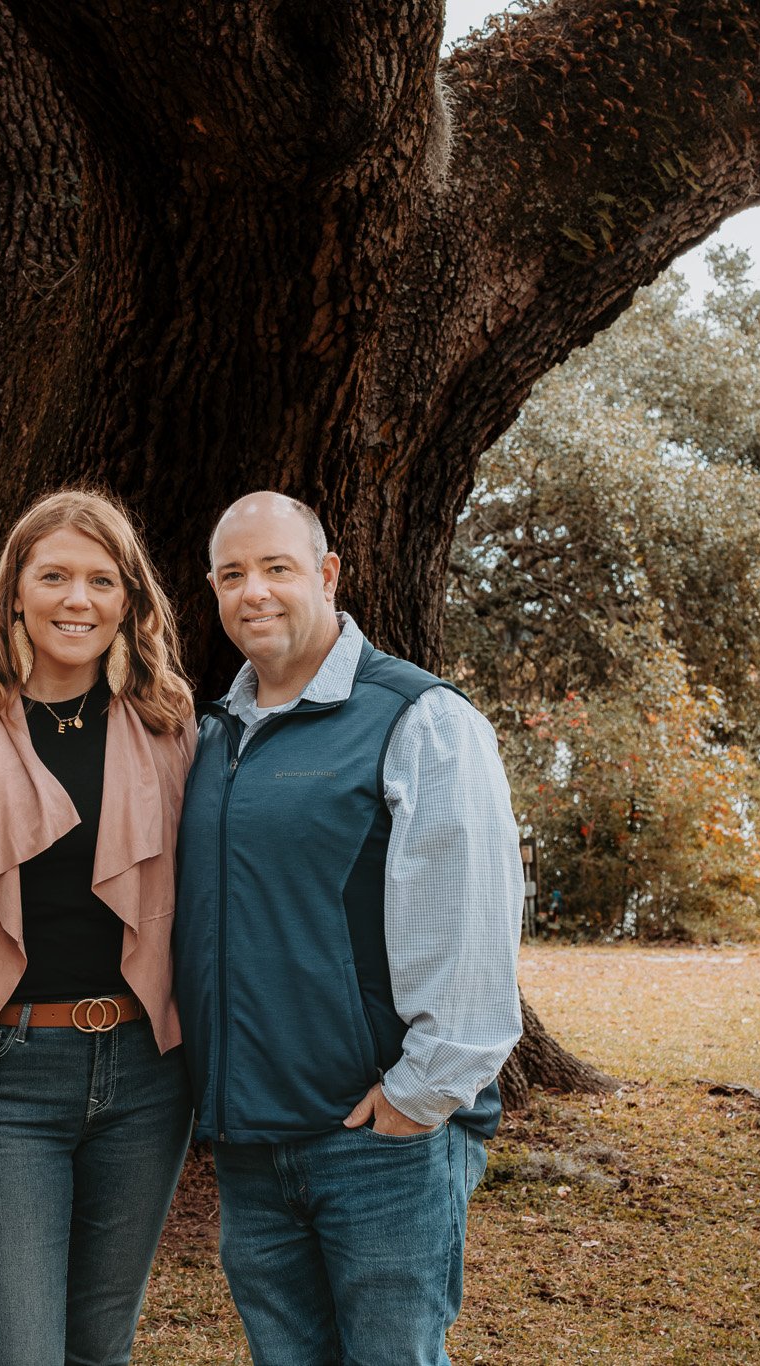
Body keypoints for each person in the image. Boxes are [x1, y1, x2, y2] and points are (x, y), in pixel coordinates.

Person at [172, 491, 524, 1366]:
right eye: (232, 574)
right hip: (254, 1140)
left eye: (277, 568)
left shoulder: (420, 720)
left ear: (327, 575)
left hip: (376, 1140)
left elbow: (472, 923)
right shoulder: (214, 734)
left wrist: (417, 1099)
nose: (254, 591)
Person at [0, 490, 198, 1366]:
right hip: (1, 1076)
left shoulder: (171, 726)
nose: (79, 599)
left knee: (100, 1349)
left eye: (102, 580)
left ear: (129, 601)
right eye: (56, 576)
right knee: (22, 1351)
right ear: (16, 594)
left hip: (148, 1074)